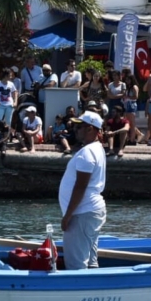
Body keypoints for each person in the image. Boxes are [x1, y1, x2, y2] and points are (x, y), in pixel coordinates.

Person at [58, 112, 107, 270]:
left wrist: (68, 216)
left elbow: (80, 187)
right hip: (92, 212)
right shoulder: (97, 149)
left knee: (76, 265)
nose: (75, 130)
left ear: (90, 129)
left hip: (82, 214)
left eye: (79, 127)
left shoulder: (87, 153)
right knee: (91, 262)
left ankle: (81, 294)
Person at [0, 68, 17, 133]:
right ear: (6, 76)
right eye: (10, 75)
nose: (11, 77)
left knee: (8, 121)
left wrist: (15, 102)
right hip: (0, 105)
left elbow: (15, 92)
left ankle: (7, 136)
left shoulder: (11, 84)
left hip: (9, 105)